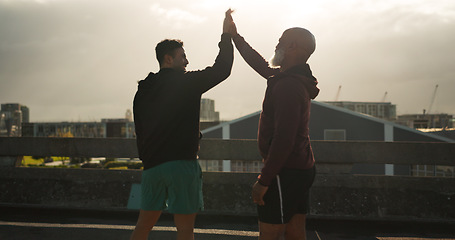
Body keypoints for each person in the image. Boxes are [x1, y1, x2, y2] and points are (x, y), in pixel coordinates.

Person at [130, 10, 234, 240]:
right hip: (181, 165)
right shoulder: (186, 82)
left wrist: (147, 159)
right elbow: (222, 69)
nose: (187, 61)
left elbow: (140, 129)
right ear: (169, 58)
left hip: (152, 167)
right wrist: (227, 37)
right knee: (185, 230)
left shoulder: (143, 90)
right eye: (182, 56)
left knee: (143, 227)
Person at [226, 12, 319, 240]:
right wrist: (236, 38)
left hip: (283, 172)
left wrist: (264, 180)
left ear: (292, 46)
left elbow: (284, 139)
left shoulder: (288, 86)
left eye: (280, 41)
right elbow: (261, 65)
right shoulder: (292, 79)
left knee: (270, 234)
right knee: (295, 232)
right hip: (301, 169)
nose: (276, 44)